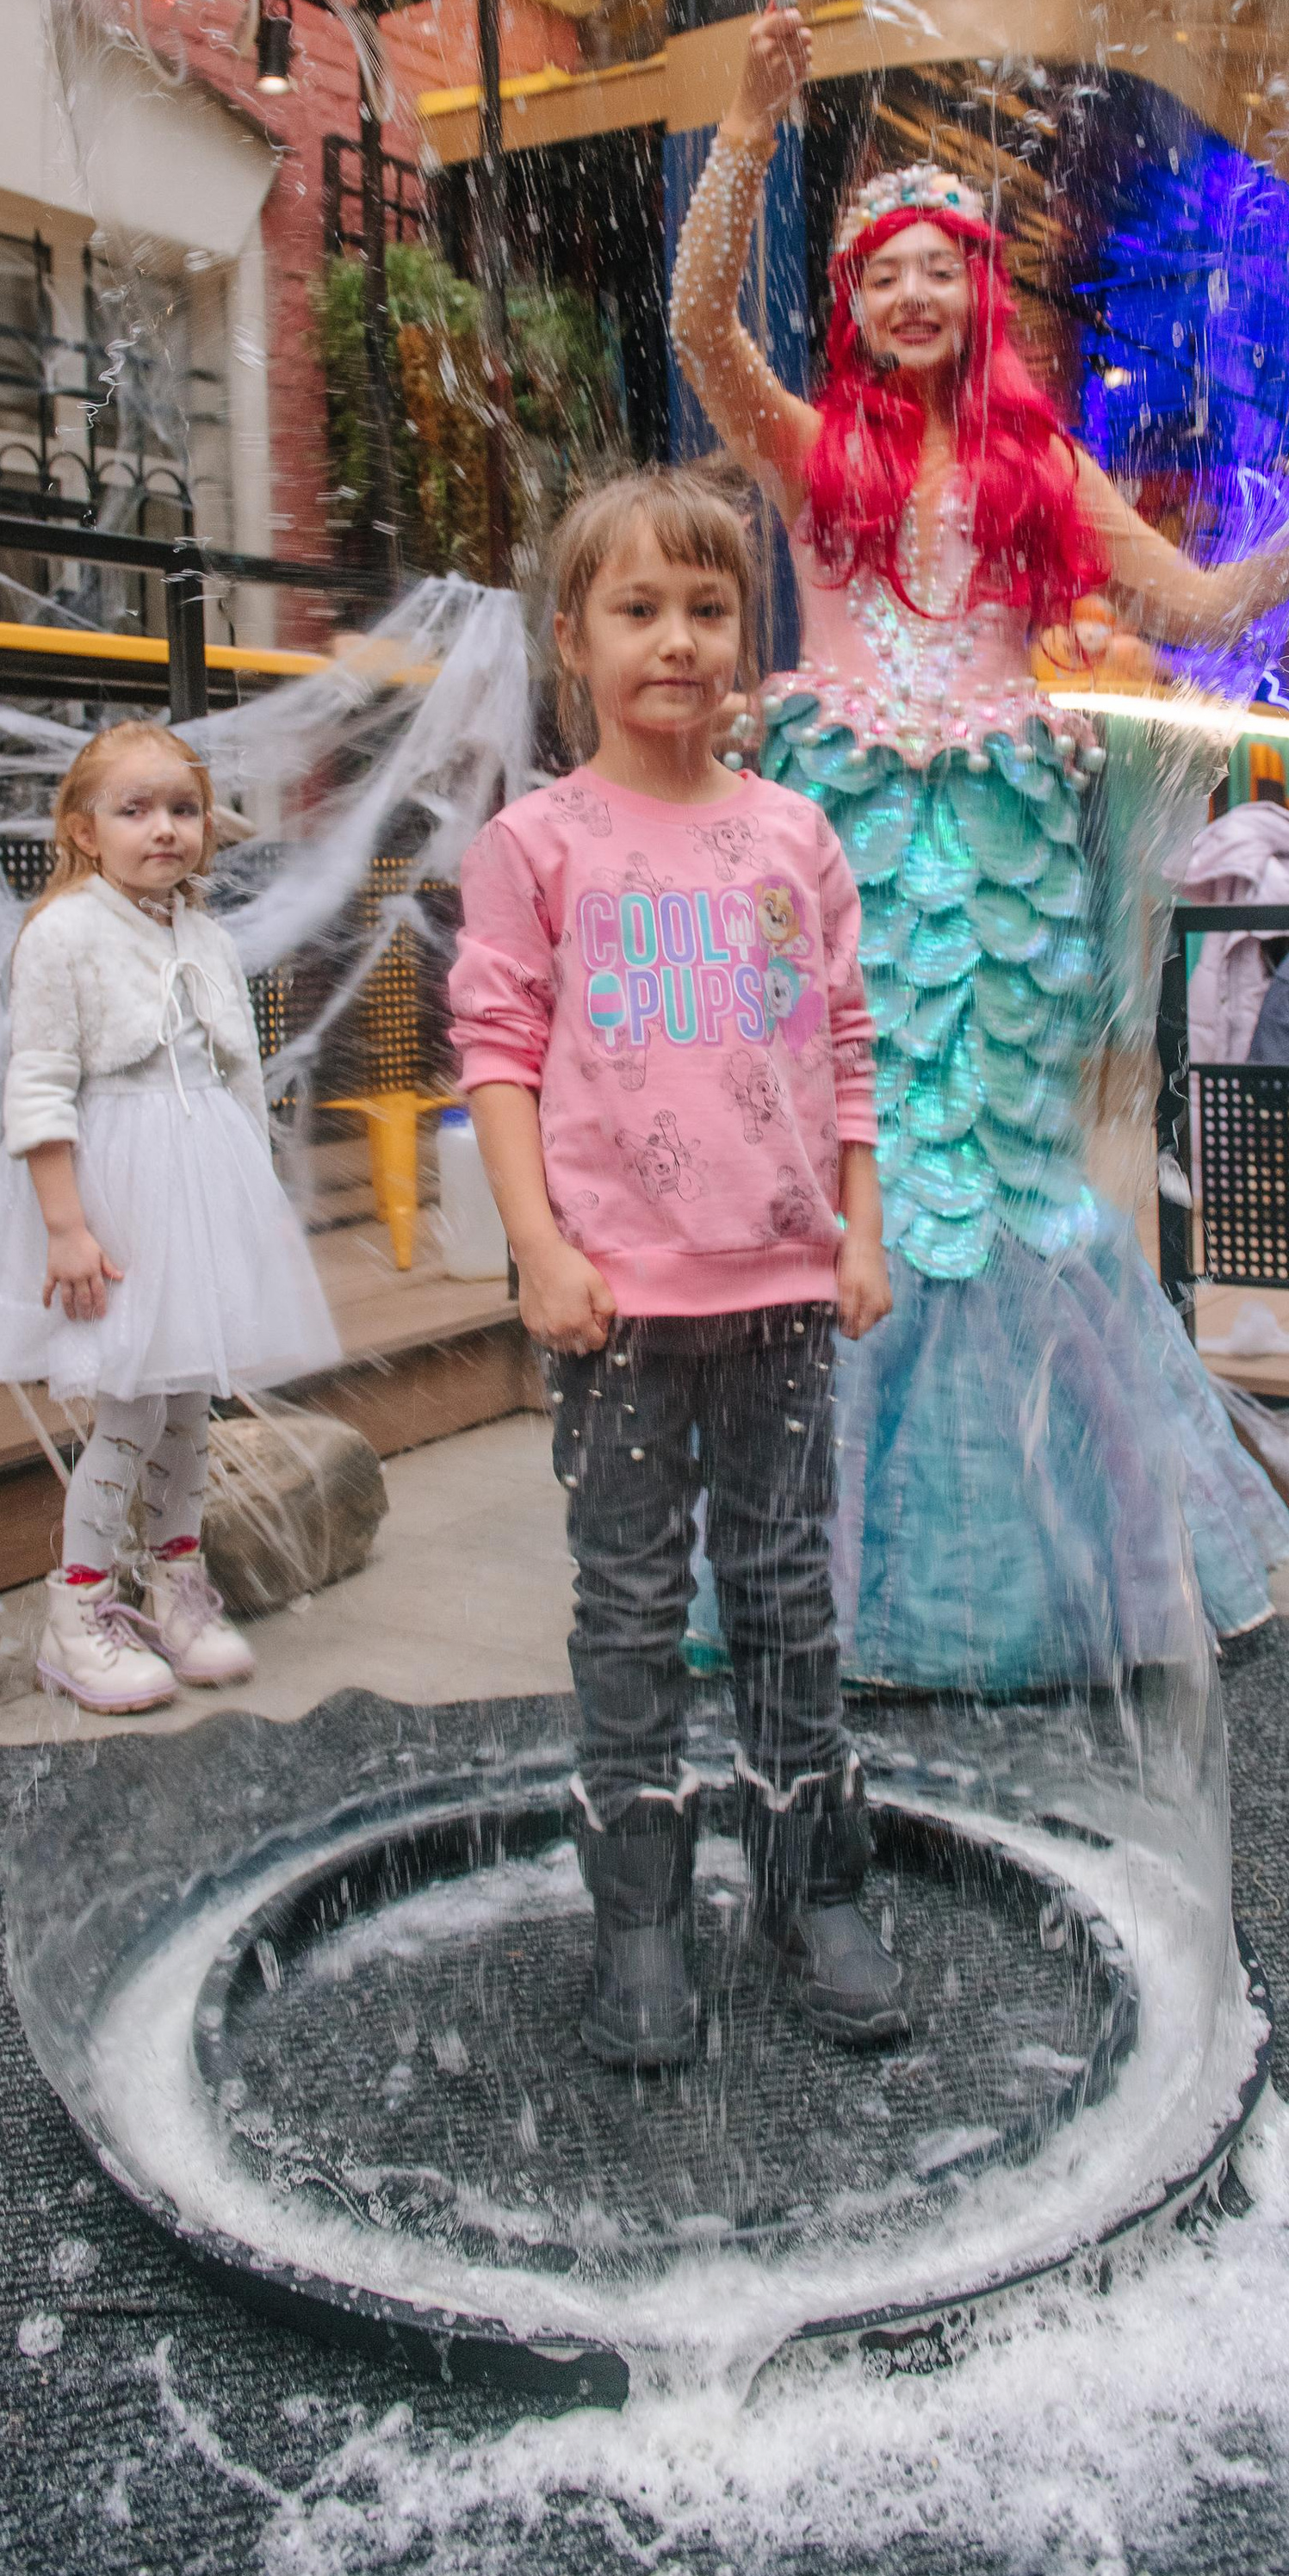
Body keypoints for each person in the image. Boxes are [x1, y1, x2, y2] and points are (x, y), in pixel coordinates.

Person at [669, 3, 1289, 1690]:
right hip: (840, 844)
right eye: (878, 270)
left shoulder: (1041, 466)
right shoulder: (810, 448)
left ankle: (1040, 1567)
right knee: (855, 1162)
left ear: (979, 293)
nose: (908, 294)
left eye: (935, 267)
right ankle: (824, 1566)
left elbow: (1193, 604)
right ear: (849, 304)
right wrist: (748, 132)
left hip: (1008, 849)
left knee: (1004, 1175)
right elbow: (692, 321)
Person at [449, 468, 908, 2071]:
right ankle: (640, 1914)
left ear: (748, 638)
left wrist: (863, 1217)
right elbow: (497, 1050)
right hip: (619, 1306)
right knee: (632, 1606)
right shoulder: (539, 843)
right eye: (639, 610)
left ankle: (808, 1883)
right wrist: (538, 1249)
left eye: (709, 610)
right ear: (573, 638)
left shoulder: (792, 836)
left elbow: (844, 1041)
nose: (678, 640)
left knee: (787, 1596)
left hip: (780, 1289)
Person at [0, 721, 340, 1713]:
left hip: (200, 1183)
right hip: (115, 1186)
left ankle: (175, 1589)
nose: (163, 829)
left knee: (185, 1407)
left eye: (182, 809)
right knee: (129, 1408)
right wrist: (66, 1225)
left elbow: (240, 1072)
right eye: (135, 810)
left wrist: (250, 1201)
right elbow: (37, 1087)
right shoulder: (66, 933)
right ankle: (78, 1616)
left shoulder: (203, 936)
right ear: (84, 830)